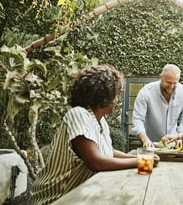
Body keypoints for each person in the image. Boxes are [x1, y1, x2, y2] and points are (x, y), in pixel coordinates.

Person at [29, 65, 159, 204]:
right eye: (116, 95)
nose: (117, 100)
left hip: (79, 195)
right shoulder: (78, 114)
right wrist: (142, 162)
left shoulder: (100, 121)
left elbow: (109, 152)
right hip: (55, 199)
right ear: (104, 97)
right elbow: (95, 162)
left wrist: (141, 157)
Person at [132, 64, 183, 148]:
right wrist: (144, 139)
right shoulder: (146, 92)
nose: (171, 86)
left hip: (173, 143)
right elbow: (137, 118)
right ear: (161, 77)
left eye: (175, 83)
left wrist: (179, 135)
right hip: (149, 142)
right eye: (168, 82)